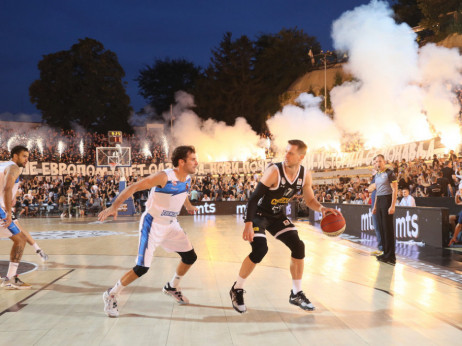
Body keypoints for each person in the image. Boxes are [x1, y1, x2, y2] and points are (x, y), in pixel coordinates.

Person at [229, 140, 341, 314]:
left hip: (276, 215)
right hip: (258, 214)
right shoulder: (274, 171)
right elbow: (253, 198)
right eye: (286, 151)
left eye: (291, 153)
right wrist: (248, 224)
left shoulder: (305, 175)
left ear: (301, 157)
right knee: (260, 250)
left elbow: (310, 200)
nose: (286, 155)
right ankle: (237, 288)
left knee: (298, 246)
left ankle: (296, 293)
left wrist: (322, 208)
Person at [98, 146, 198, 318]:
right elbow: (134, 187)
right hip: (153, 223)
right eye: (193, 159)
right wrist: (114, 206)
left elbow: (183, 193)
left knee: (190, 257)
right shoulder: (164, 176)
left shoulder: (187, 178)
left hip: (171, 224)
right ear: (181, 162)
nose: (197, 162)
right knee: (142, 268)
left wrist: (188, 206)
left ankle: (172, 286)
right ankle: (111, 294)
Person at [0, 145, 33, 289]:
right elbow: (7, 187)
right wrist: (8, 212)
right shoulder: (14, 168)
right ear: (15, 156)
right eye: (24, 156)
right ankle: (10, 278)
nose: (27, 159)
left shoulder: (3, 164)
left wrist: (11, 197)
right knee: (20, 240)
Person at [372, 154, 398, 266]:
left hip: (388, 200)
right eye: (376, 161)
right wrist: (375, 206)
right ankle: (385, 253)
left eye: (380, 161)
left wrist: (392, 205)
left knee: (388, 229)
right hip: (380, 201)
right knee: (382, 228)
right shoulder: (377, 175)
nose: (378, 163)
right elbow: (377, 191)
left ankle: (391, 256)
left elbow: (395, 189)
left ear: (384, 161)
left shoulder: (390, 173)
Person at [368, 158, 383, 256]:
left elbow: (377, 188)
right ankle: (380, 248)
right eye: (374, 163)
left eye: (377, 162)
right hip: (374, 205)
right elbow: (369, 189)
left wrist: (375, 206)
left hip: (379, 205)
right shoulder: (375, 176)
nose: (375, 164)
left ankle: (383, 249)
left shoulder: (382, 175)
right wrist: (373, 186)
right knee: (377, 227)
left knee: (381, 227)